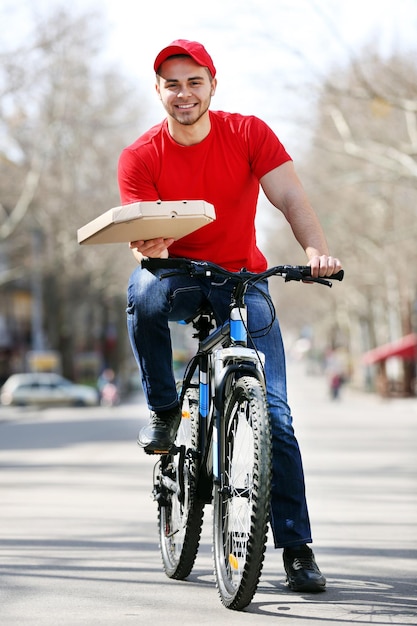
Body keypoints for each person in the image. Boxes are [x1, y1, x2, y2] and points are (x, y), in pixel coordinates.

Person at [118, 39, 342, 593]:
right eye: (173, 83)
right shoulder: (141, 156)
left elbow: (290, 196)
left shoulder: (248, 134)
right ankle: (166, 408)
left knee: (277, 417)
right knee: (142, 294)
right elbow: (139, 239)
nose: (184, 93)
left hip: (241, 277)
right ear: (159, 92)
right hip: (178, 274)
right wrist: (147, 245)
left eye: (194, 81)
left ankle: (296, 548)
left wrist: (315, 250)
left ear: (212, 85)